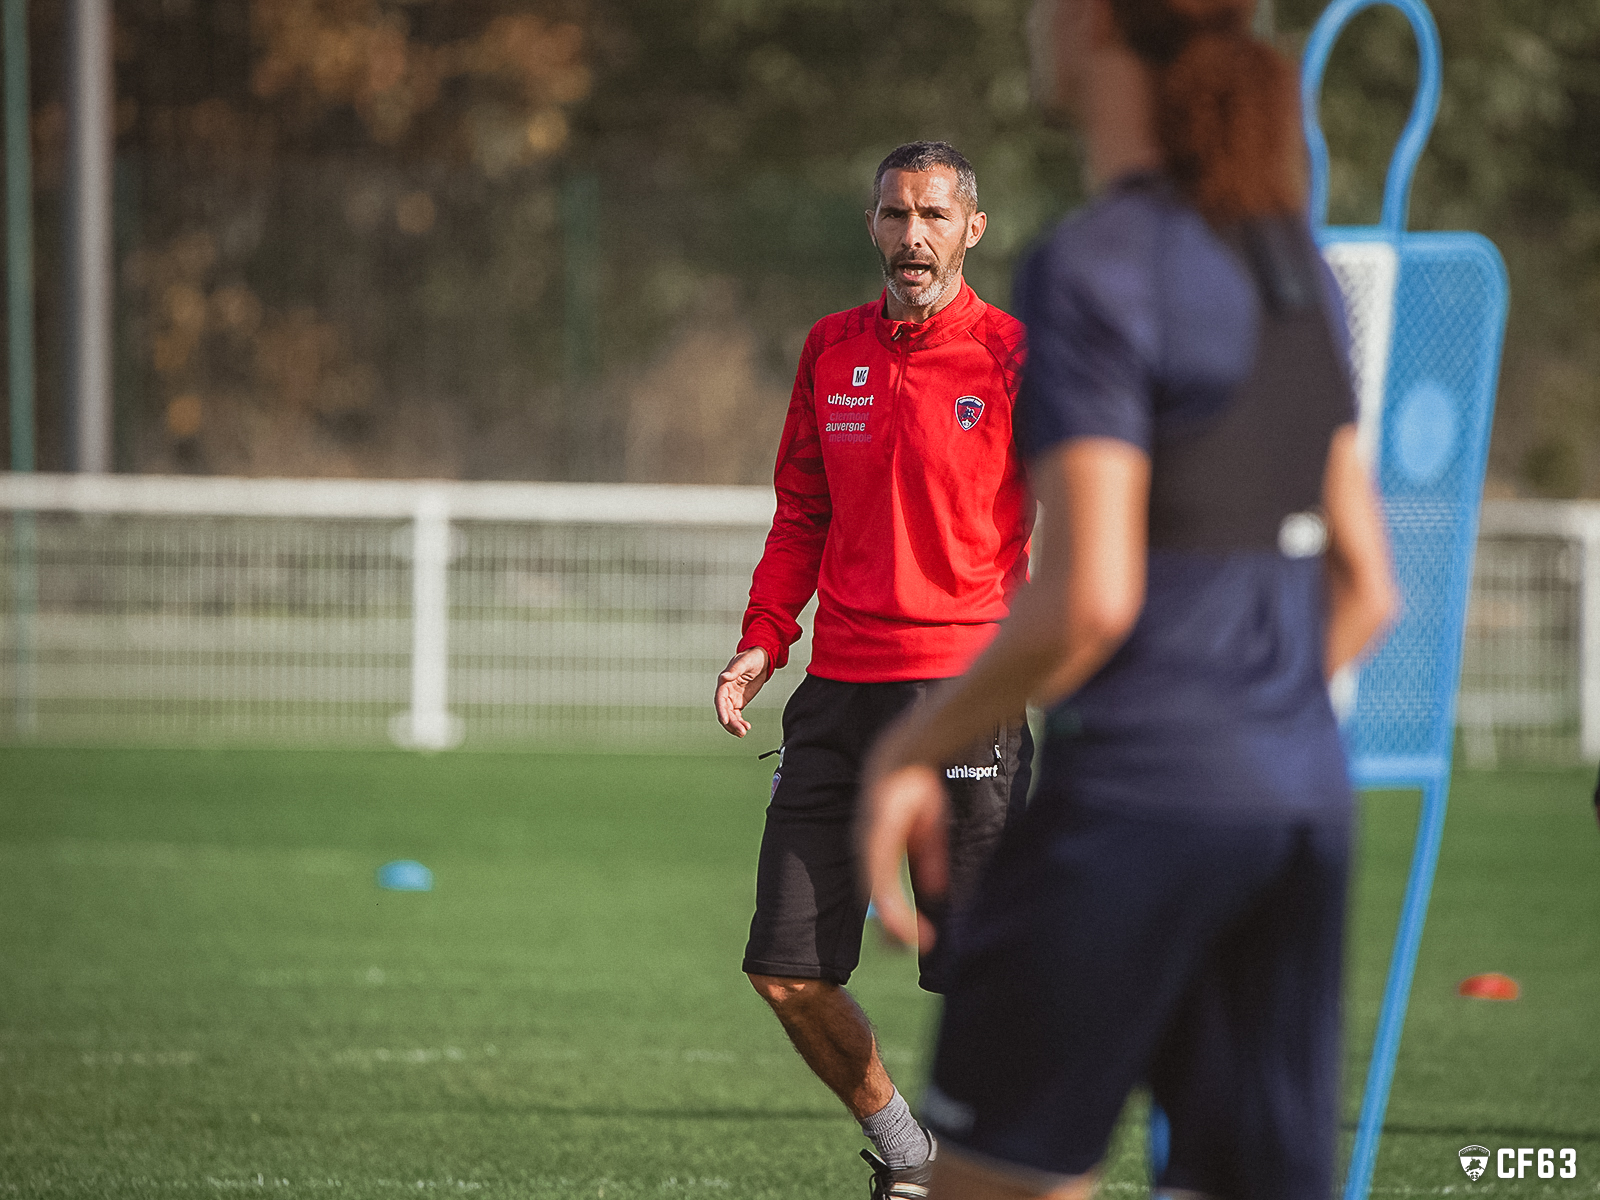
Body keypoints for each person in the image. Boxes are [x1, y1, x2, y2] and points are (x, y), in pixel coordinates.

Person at [859, 2, 1398, 1198]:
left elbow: (1088, 600)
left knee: (1000, 1178)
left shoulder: (1093, 260)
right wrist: (1244, 725)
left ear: (1095, 25)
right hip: (1296, 802)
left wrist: (910, 747)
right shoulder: (1289, 260)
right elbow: (1368, 587)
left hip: (1137, 805)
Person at [714, 141, 1036, 1199]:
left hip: (964, 698)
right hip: (840, 695)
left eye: (934, 216)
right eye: (895, 215)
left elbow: (1086, 515)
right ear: (872, 226)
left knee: (984, 980)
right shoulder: (829, 351)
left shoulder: (1017, 358)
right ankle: (913, 1162)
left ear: (970, 229)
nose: (913, 236)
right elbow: (802, 509)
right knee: (784, 969)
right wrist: (765, 637)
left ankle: (1016, 1169)